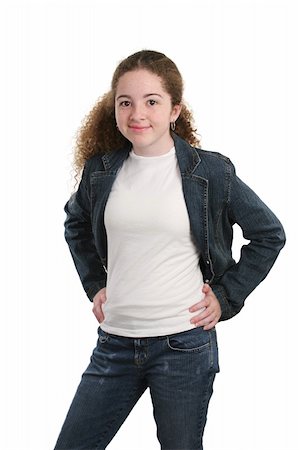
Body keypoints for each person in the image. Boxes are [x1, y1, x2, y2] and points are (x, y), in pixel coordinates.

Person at [54, 50, 286, 450]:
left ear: (175, 109)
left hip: (184, 346)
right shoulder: (101, 172)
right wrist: (95, 284)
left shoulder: (210, 172)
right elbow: (75, 224)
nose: (136, 113)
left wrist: (227, 296)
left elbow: (269, 234)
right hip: (115, 343)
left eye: (152, 101)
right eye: (124, 102)